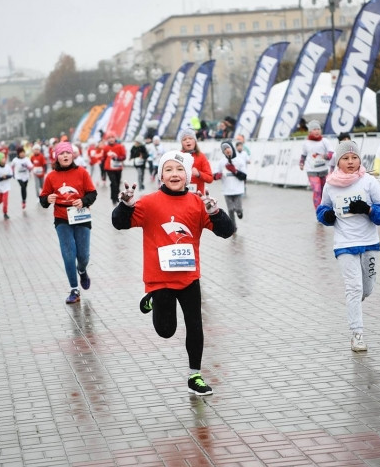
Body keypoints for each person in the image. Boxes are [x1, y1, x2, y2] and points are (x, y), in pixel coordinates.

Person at [111, 150, 234, 395]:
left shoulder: (198, 203)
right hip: (160, 279)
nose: (174, 174)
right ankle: (153, 300)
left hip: (189, 276)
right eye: (168, 170)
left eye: (179, 170)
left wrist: (215, 214)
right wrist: (125, 205)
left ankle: (195, 376)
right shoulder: (148, 202)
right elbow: (119, 223)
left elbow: (226, 231)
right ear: (161, 175)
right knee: (166, 331)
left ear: (187, 175)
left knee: (195, 324)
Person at [315, 141, 380, 352]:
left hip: (369, 242)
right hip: (344, 244)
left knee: (366, 288)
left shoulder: (369, 182)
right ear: (338, 161)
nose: (350, 162)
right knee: (354, 287)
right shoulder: (330, 184)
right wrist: (327, 216)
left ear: (359, 159)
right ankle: (357, 334)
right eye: (345, 158)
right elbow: (322, 210)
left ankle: (357, 300)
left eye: (354, 158)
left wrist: (368, 210)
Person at [39, 141, 97, 304]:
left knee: (83, 256)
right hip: (62, 218)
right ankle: (74, 289)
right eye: (61, 154)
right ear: (56, 157)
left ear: (73, 155)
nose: (65, 156)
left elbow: (92, 193)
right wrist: (47, 199)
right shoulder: (51, 176)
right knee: (68, 254)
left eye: (68, 153)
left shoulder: (82, 173)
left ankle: (82, 270)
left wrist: (83, 201)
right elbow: (43, 199)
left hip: (81, 216)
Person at [212, 139, 248, 229]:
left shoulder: (239, 161)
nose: (227, 150)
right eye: (224, 149)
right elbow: (215, 175)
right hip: (227, 190)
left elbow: (244, 176)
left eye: (228, 147)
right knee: (231, 209)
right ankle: (233, 227)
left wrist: (235, 171)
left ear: (232, 148)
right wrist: (218, 175)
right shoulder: (221, 162)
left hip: (238, 190)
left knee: (238, 209)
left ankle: (240, 212)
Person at [299, 120, 333, 209]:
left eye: (318, 129)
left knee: (324, 192)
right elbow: (303, 154)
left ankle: (325, 210)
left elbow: (331, 153)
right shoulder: (306, 143)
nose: (317, 131)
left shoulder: (324, 141)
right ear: (310, 131)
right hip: (311, 171)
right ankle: (319, 211)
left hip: (324, 170)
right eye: (314, 129)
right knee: (317, 190)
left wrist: (325, 156)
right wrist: (301, 163)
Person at [179, 127, 213, 193]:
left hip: (198, 197)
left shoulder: (201, 156)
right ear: (182, 143)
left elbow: (210, 179)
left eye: (190, 138)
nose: (187, 141)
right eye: (184, 139)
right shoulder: (178, 156)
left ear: (195, 141)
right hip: (181, 196)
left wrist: (199, 174)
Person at [101, 135, 127, 205]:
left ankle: (114, 197)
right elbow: (103, 157)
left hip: (118, 167)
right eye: (109, 138)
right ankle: (115, 198)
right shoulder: (106, 148)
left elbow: (124, 156)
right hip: (109, 168)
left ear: (115, 138)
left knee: (117, 183)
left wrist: (118, 158)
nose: (111, 139)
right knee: (114, 183)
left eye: (112, 138)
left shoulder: (120, 146)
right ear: (107, 140)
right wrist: (102, 169)